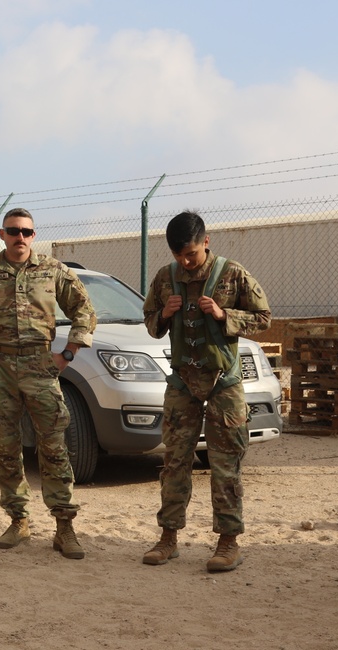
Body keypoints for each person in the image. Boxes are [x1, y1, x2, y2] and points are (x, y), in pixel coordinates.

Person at [0, 208, 96, 557]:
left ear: (34, 235)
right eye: (14, 231)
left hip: (41, 364)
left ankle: (64, 527)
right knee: (5, 447)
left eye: (27, 232)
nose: (21, 238)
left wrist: (69, 353)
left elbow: (85, 311)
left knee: (54, 445)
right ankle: (18, 520)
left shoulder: (53, 270)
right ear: (2, 234)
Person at [141, 210, 271, 572]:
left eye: (192, 254)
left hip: (223, 382)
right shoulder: (165, 278)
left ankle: (228, 542)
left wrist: (223, 315)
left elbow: (264, 318)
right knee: (174, 462)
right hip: (183, 381)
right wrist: (164, 315)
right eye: (179, 255)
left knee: (225, 464)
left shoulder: (232, 273)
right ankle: (168, 538)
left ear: (206, 242)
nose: (186, 261)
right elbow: (150, 323)